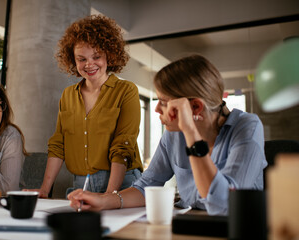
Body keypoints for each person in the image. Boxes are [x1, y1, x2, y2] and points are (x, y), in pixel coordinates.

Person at [68, 54, 267, 215]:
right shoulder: (173, 135)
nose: (157, 110)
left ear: (195, 106)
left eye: (164, 102)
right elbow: (146, 186)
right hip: (188, 221)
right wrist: (103, 200)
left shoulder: (247, 128)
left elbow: (224, 205)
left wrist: (190, 131)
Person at [29, 15, 143, 198]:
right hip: (81, 183)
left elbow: (123, 145)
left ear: (109, 54)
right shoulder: (68, 95)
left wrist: (109, 195)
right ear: (73, 60)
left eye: (96, 56)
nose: (89, 64)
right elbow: (58, 144)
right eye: (81, 59)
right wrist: (44, 190)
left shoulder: (126, 91)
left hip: (122, 182)